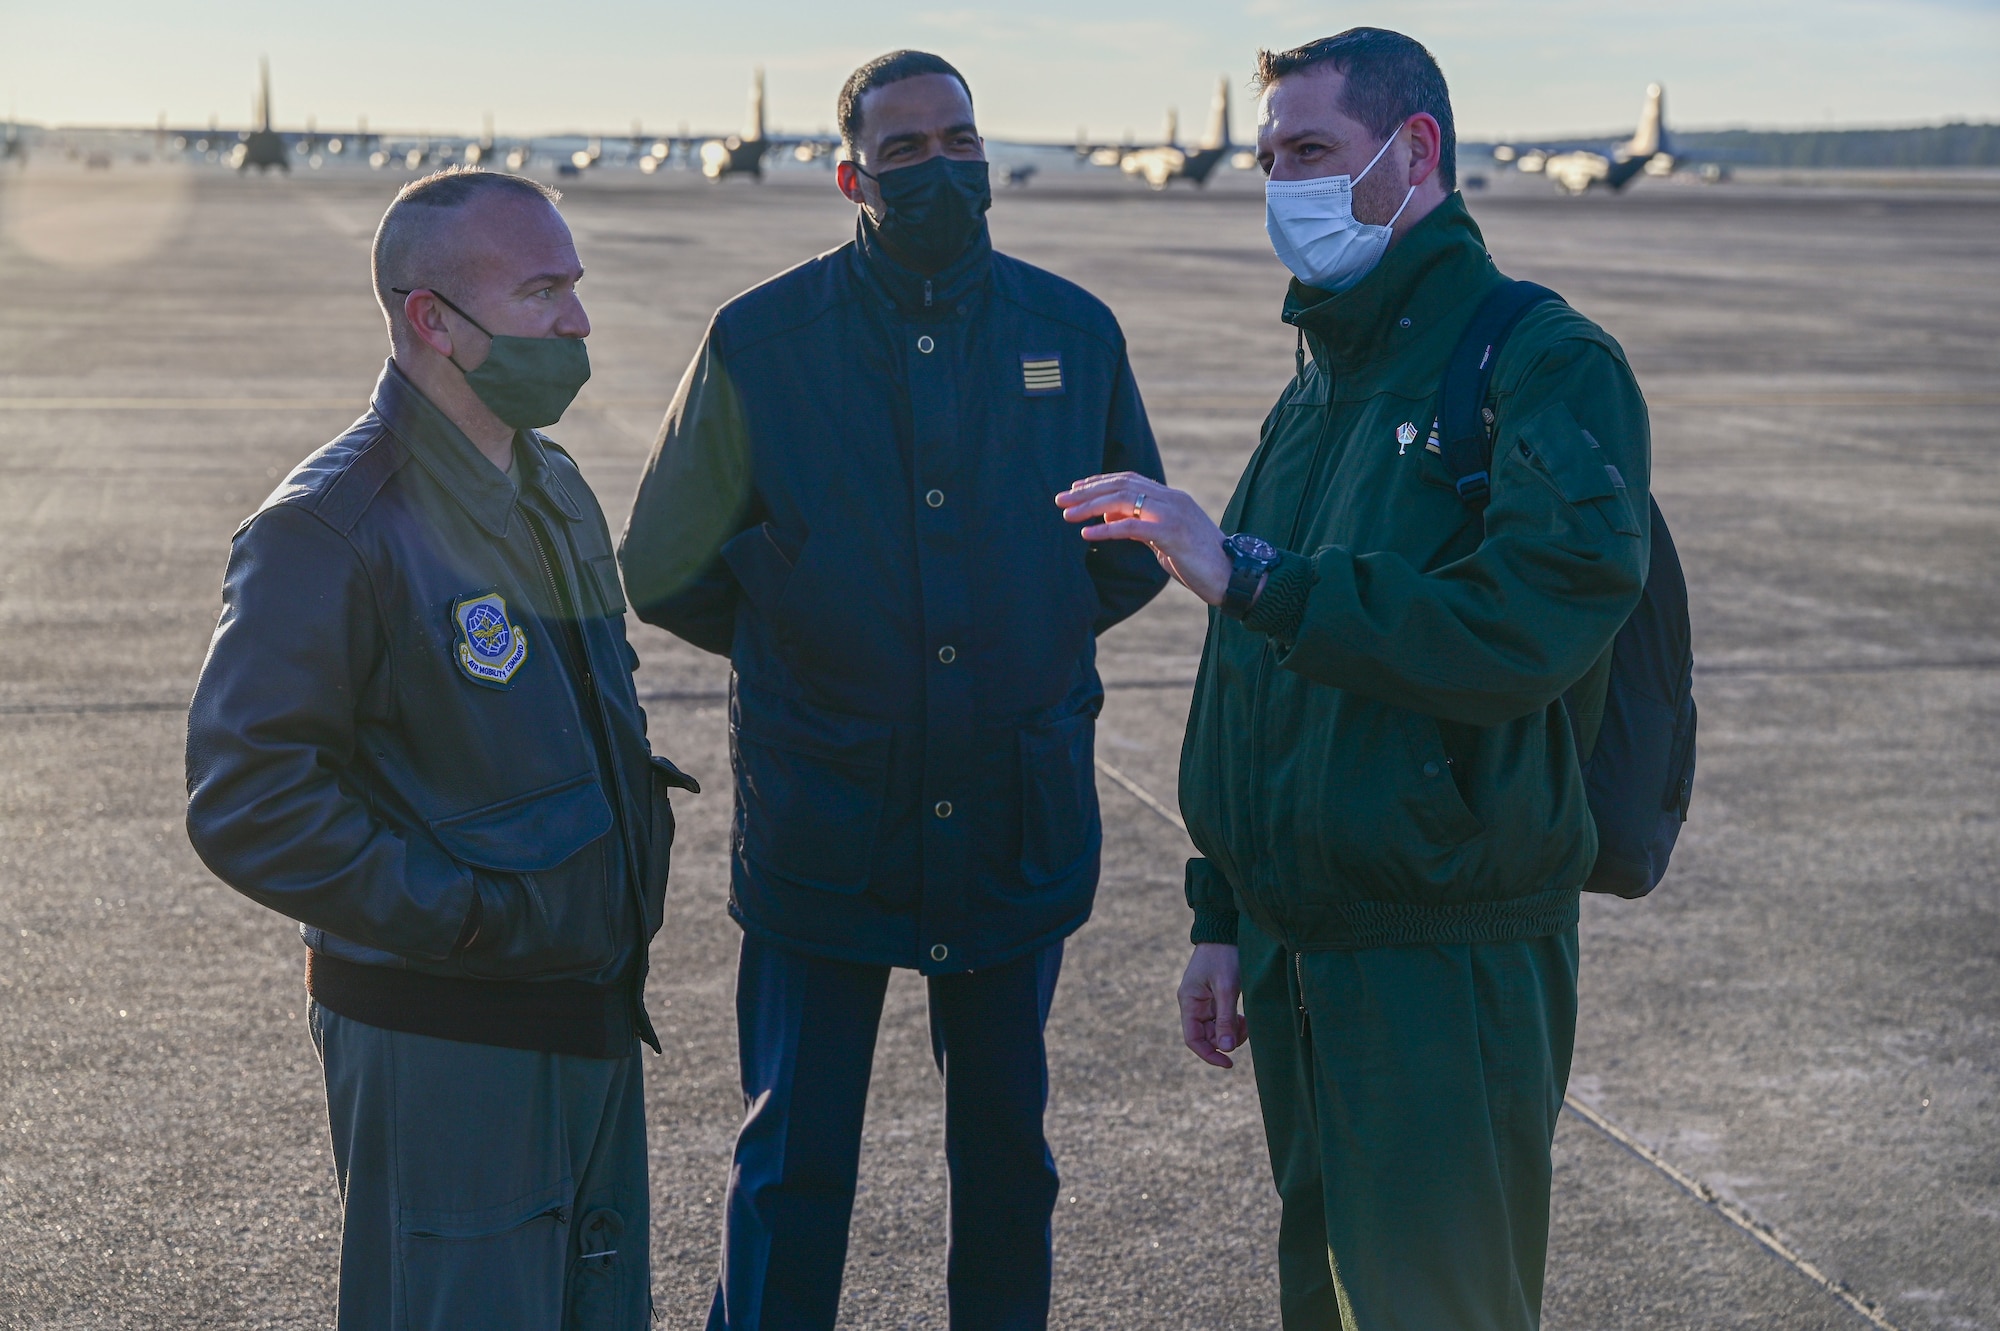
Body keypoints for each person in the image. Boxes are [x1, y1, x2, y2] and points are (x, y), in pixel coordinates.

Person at [1058, 28, 1652, 1331]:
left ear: (1415, 152)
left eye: (1313, 152)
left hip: (1445, 958)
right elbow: (1255, 669)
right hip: (1302, 945)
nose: (1283, 183)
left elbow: (1529, 624)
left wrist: (1262, 573)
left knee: (1439, 1302)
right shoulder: (1322, 384)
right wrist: (1224, 907)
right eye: (1272, 157)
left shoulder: (1543, 364)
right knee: (1327, 1299)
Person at [619, 50, 1168, 1331]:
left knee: (1007, 1164)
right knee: (790, 1163)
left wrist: (1020, 640)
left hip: (1007, 807)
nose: (937, 164)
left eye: (956, 137)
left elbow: (1130, 542)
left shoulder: (1070, 332)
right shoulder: (761, 341)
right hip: (828, 814)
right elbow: (660, 565)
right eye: (903, 146)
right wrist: (807, 642)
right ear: (848, 171)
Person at [185, 167, 696, 1331]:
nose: (576, 322)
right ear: (433, 320)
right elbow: (246, 796)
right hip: (446, 1033)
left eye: (574, 287)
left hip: (587, 1011)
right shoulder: (328, 526)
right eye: (542, 292)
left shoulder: (551, 485)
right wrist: (465, 914)